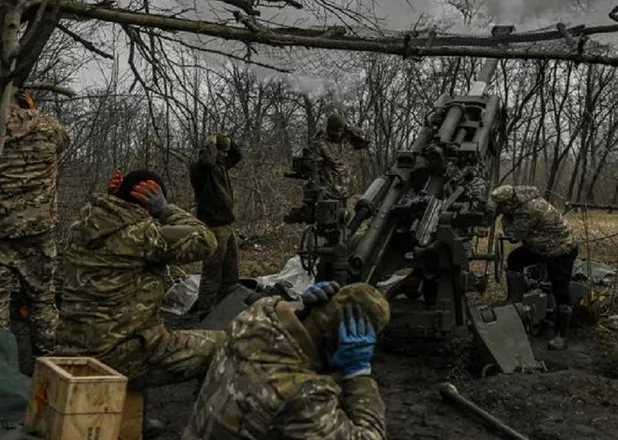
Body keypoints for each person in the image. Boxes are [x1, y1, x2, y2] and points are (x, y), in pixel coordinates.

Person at [57, 169, 226, 389]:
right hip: (114, 356)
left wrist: (113, 199)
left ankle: (132, 418)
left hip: (70, 347)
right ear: (147, 205)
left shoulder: (79, 227)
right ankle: (208, 419)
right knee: (223, 345)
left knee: (140, 329)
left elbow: (108, 215)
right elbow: (206, 241)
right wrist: (165, 209)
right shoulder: (144, 237)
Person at [183, 281, 390, 440]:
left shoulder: (259, 315)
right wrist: (357, 373)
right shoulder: (305, 394)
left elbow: (298, 354)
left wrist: (301, 308)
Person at [0, 89, 69, 356]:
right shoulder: (48, 127)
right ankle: (51, 371)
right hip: (37, 230)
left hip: (1, 231)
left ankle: (5, 377)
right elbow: (63, 142)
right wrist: (34, 113)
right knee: (42, 301)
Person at [488, 184, 578, 351]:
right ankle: (514, 302)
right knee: (515, 259)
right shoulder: (518, 202)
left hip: (561, 249)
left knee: (560, 290)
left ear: (509, 202)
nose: (499, 210)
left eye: (500, 207)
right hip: (541, 246)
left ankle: (561, 336)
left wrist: (504, 218)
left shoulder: (527, 209)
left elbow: (513, 235)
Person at [189, 133, 242, 317]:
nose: (226, 156)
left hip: (226, 226)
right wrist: (211, 144)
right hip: (212, 226)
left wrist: (226, 137)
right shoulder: (202, 169)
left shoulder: (221, 166)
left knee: (231, 271)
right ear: (213, 151)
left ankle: (225, 308)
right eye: (222, 152)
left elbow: (238, 154)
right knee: (212, 272)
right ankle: (206, 312)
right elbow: (206, 163)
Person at [312, 113, 370, 211]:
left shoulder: (347, 138)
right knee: (330, 222)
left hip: (346, 191)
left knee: (343, 220)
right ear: (329, 130)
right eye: (335, 131)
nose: (338, 134)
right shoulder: (320, 143)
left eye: (340, 131)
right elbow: (314, 168)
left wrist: (348, 129)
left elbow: (364, 142)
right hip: (329, 192)